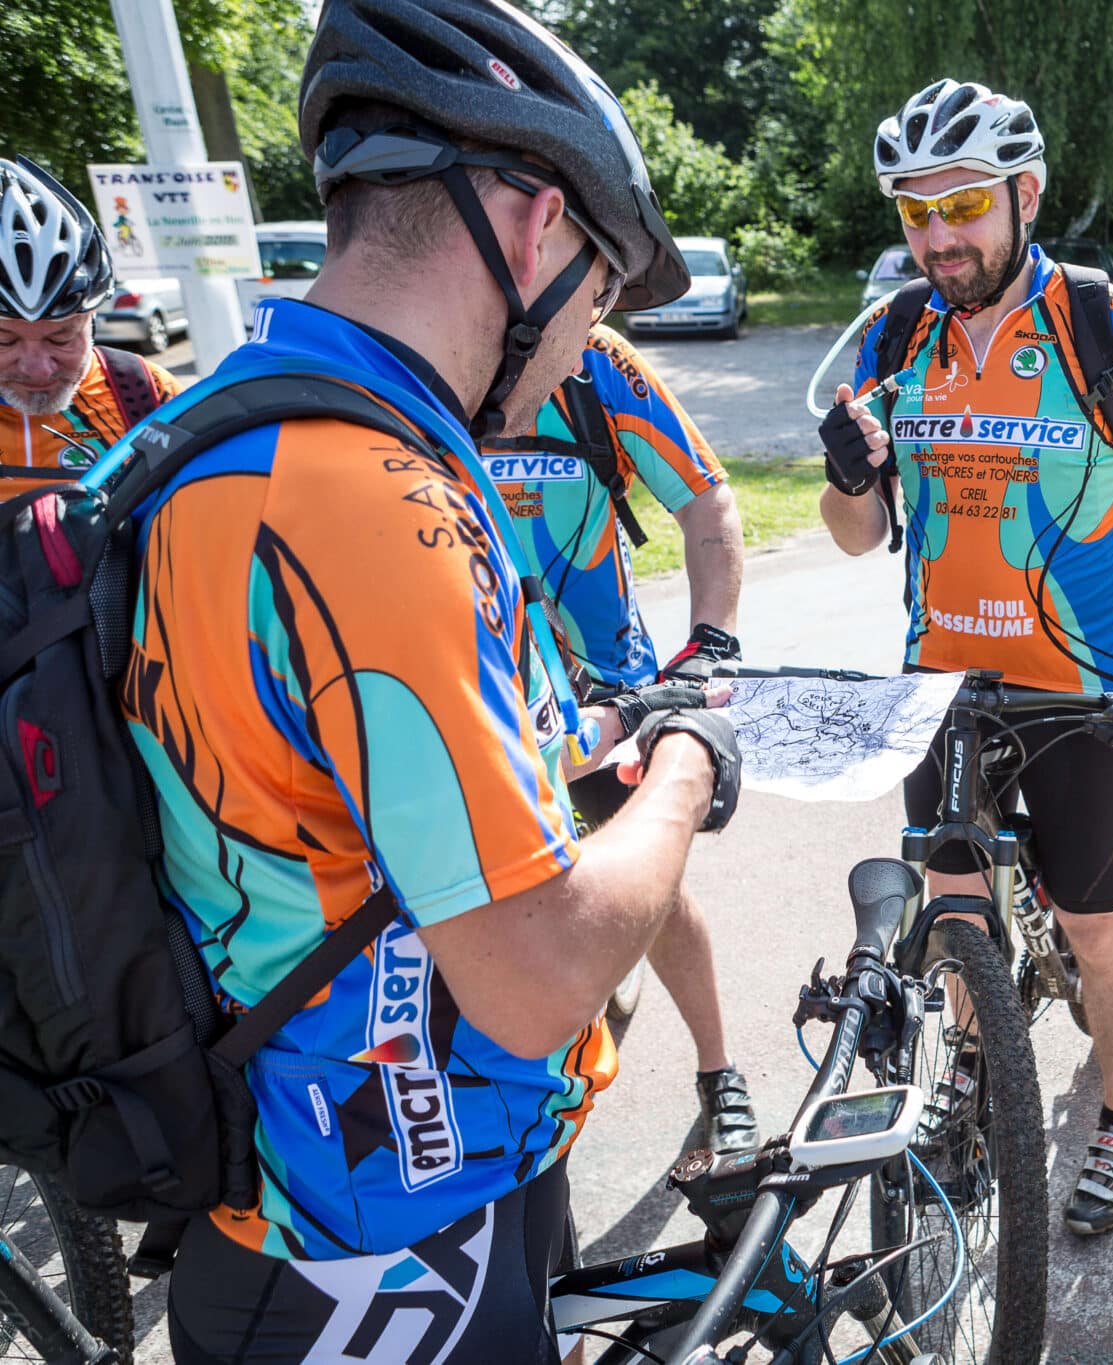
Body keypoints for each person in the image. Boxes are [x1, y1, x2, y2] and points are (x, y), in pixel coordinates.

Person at [118, 1, 736, 1360]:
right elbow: (534, 977)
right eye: (603, 287)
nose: (592, 336)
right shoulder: (373, 499)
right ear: (536, 230)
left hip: (334, 1182)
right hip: (381, 1236)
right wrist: (689, 762)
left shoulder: (219, 429)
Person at [817, 78, 1113, 1235]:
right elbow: (856, 536)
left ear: (1024, 195)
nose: (939, 237)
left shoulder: (1109, 323)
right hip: (939, 690)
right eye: (915, 212)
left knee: (1097, 929)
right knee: (954, 917)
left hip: (1081, 692)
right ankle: (969, 1073)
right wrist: (849, 480)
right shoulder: (899, 334)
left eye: (961, 205)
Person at [484, 323, 758, 1152]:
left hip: (610, 692)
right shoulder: (421, 346)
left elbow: (707, 499)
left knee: (658, 895)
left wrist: (710, 642)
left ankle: (721, 1073)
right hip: (480, 693)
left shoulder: (592, 356)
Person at [1, 155, 180, 497]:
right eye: (5, 341)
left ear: (93, 320)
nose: (38, 369)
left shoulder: (145, 391)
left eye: (61, 337)